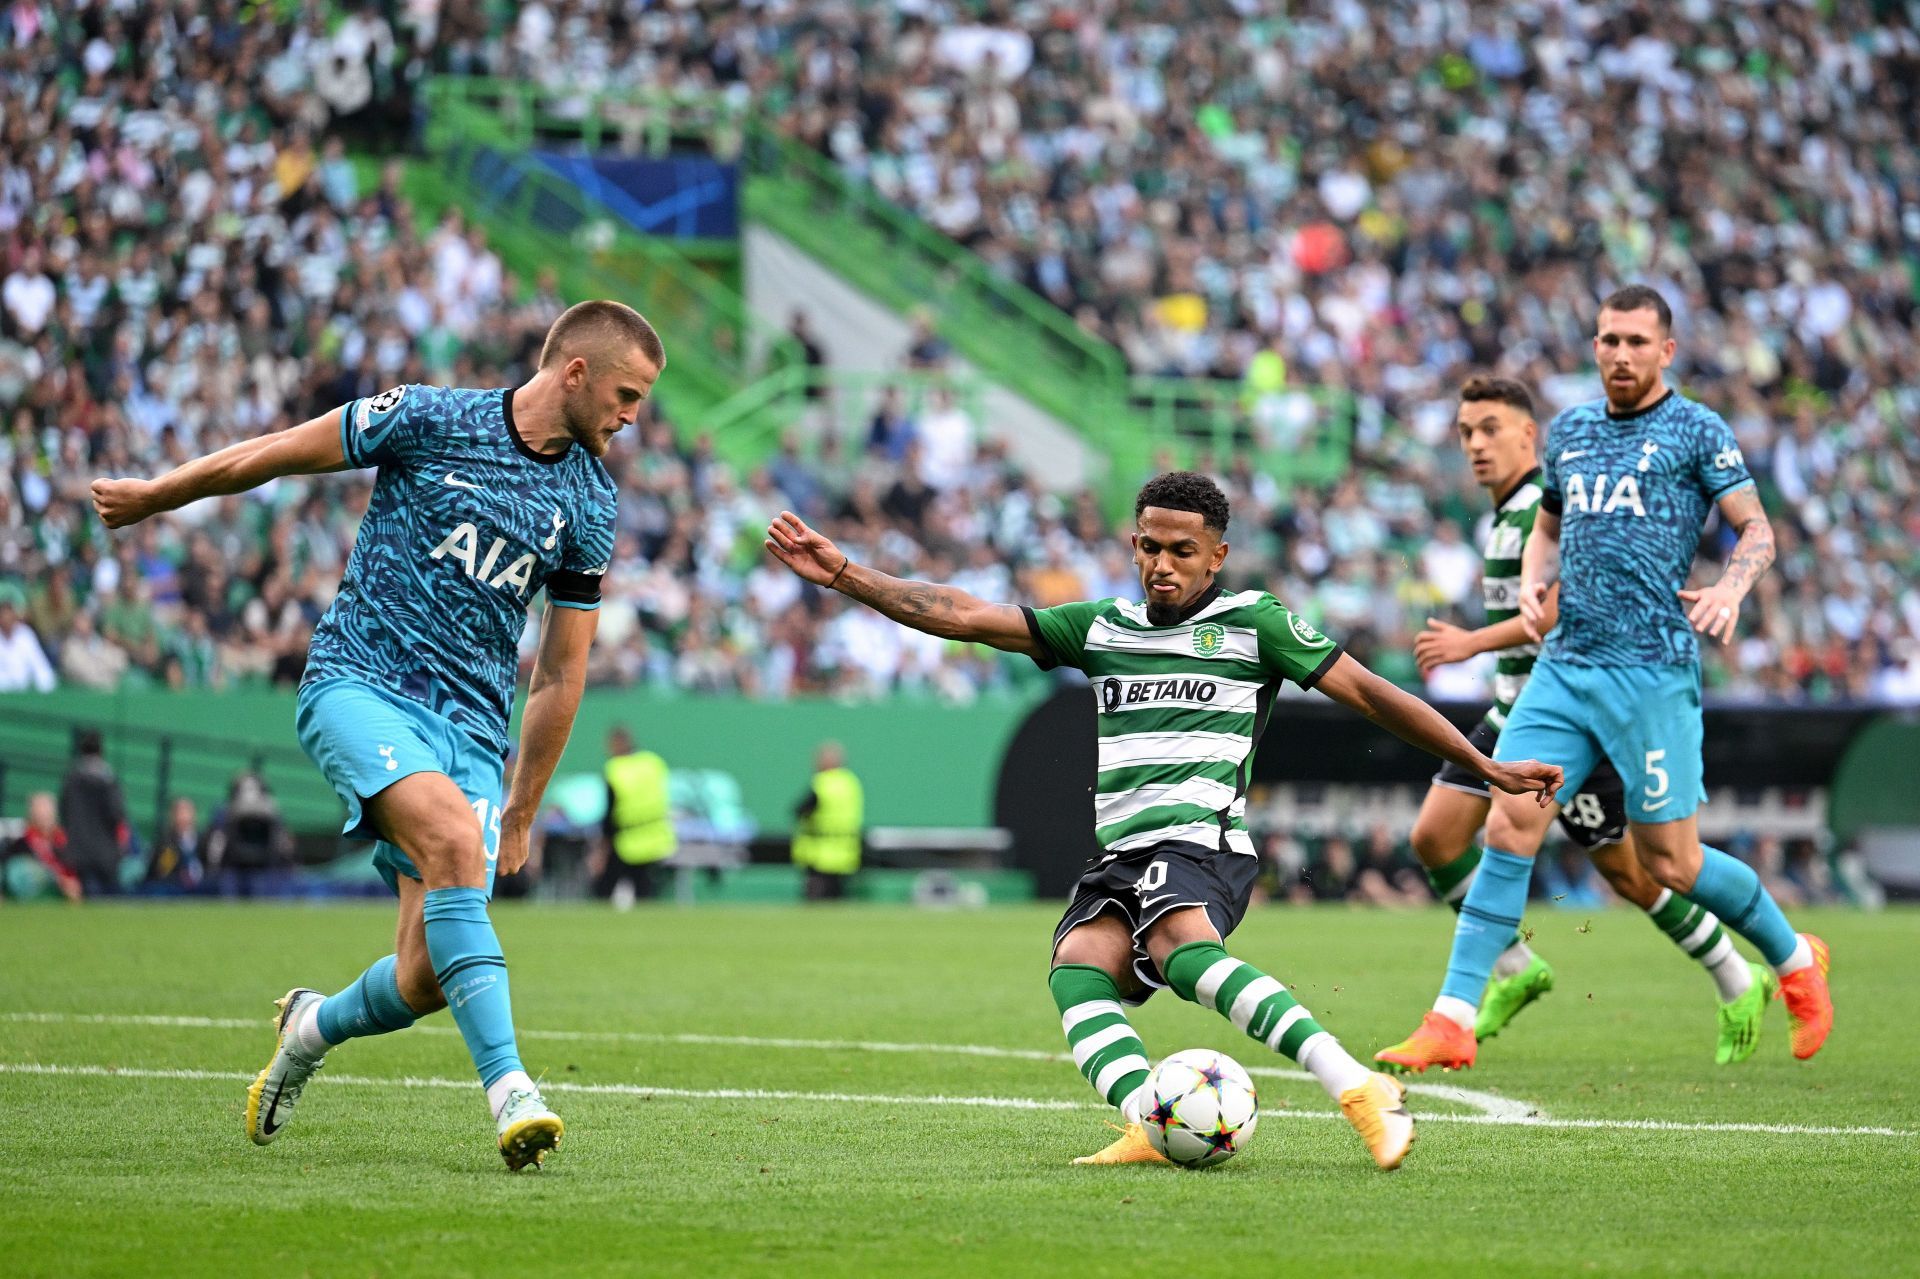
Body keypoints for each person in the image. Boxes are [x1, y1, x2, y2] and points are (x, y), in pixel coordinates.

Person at [765, 472, 1562, 1171]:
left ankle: (1358, 1086)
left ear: (1216, 555)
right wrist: (843, 573)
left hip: (1202, 840)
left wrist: (1483, 764)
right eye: (1149, 546)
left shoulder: (1256, 623)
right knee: (1078, 966)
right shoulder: (1101, 627)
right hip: (1124, 851)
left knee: (1182, 950)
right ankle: (1146, 1124)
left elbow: (1371, 694)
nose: (1162, 564)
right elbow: (963, 614)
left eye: (1183, 550)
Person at [91, 299, 663, 1170]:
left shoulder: (589, 500)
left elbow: (558, 673)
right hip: (361, 685)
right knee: (446, 844)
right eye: (627, 394)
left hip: (471, 731)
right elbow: (274, 453)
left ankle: (310, 1029)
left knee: (426, 974)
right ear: (575, 371)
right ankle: (511, 1090)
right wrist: (157, 493)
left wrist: (521, 807)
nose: (632, 416)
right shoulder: (430, 418)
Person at [1377, 287, 1834, 1074]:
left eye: (1635, 340)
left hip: (1652, 672)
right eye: (1607, 340)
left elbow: (1755, 525)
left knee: (1671, 864)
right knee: (1507, 823)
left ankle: (1794, 961)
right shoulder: (1574, 430)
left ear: (1667, 350)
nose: (1619, 353)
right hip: (1563, 670)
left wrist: (1729, 588)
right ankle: (1452, 1016)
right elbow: (1549, 521)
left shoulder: (1697, 430)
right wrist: (1531, 573)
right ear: (1594, 347)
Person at [599, 725, 674, 906]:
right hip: (657, 837)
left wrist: (603, 844)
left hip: (627, 839)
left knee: (604, 889)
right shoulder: (654, 762)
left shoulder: (615, 769)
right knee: (645, 892)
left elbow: (610, 811)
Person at [58, 730, 128, 898]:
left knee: (87, 894)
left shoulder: (72, 778)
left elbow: (64, 811)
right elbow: (116, 813)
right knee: (107, 896)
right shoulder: (108, 779)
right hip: (105, 850)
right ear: (101, 750)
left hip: (79, 848)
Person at [792, 741, 863, 901]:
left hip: (819, 854)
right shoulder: (851, 783)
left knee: (816, 904)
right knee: (838, 903)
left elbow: (800, 810)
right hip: (846, 853)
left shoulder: (822, 783)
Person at [3, 792, 80, 902]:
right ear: (32, 813)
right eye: (39, 809)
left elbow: (71, 866)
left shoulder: (63, 839)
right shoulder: (22, 841)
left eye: (46, 809)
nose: (43, 814)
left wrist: (72, 882)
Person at [145, 796, 207, 893]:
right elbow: (162, 871)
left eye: (187, 812)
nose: (184, 816)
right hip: (174, 887)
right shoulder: (167, 842)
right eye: (180, 812)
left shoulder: (202, 840)